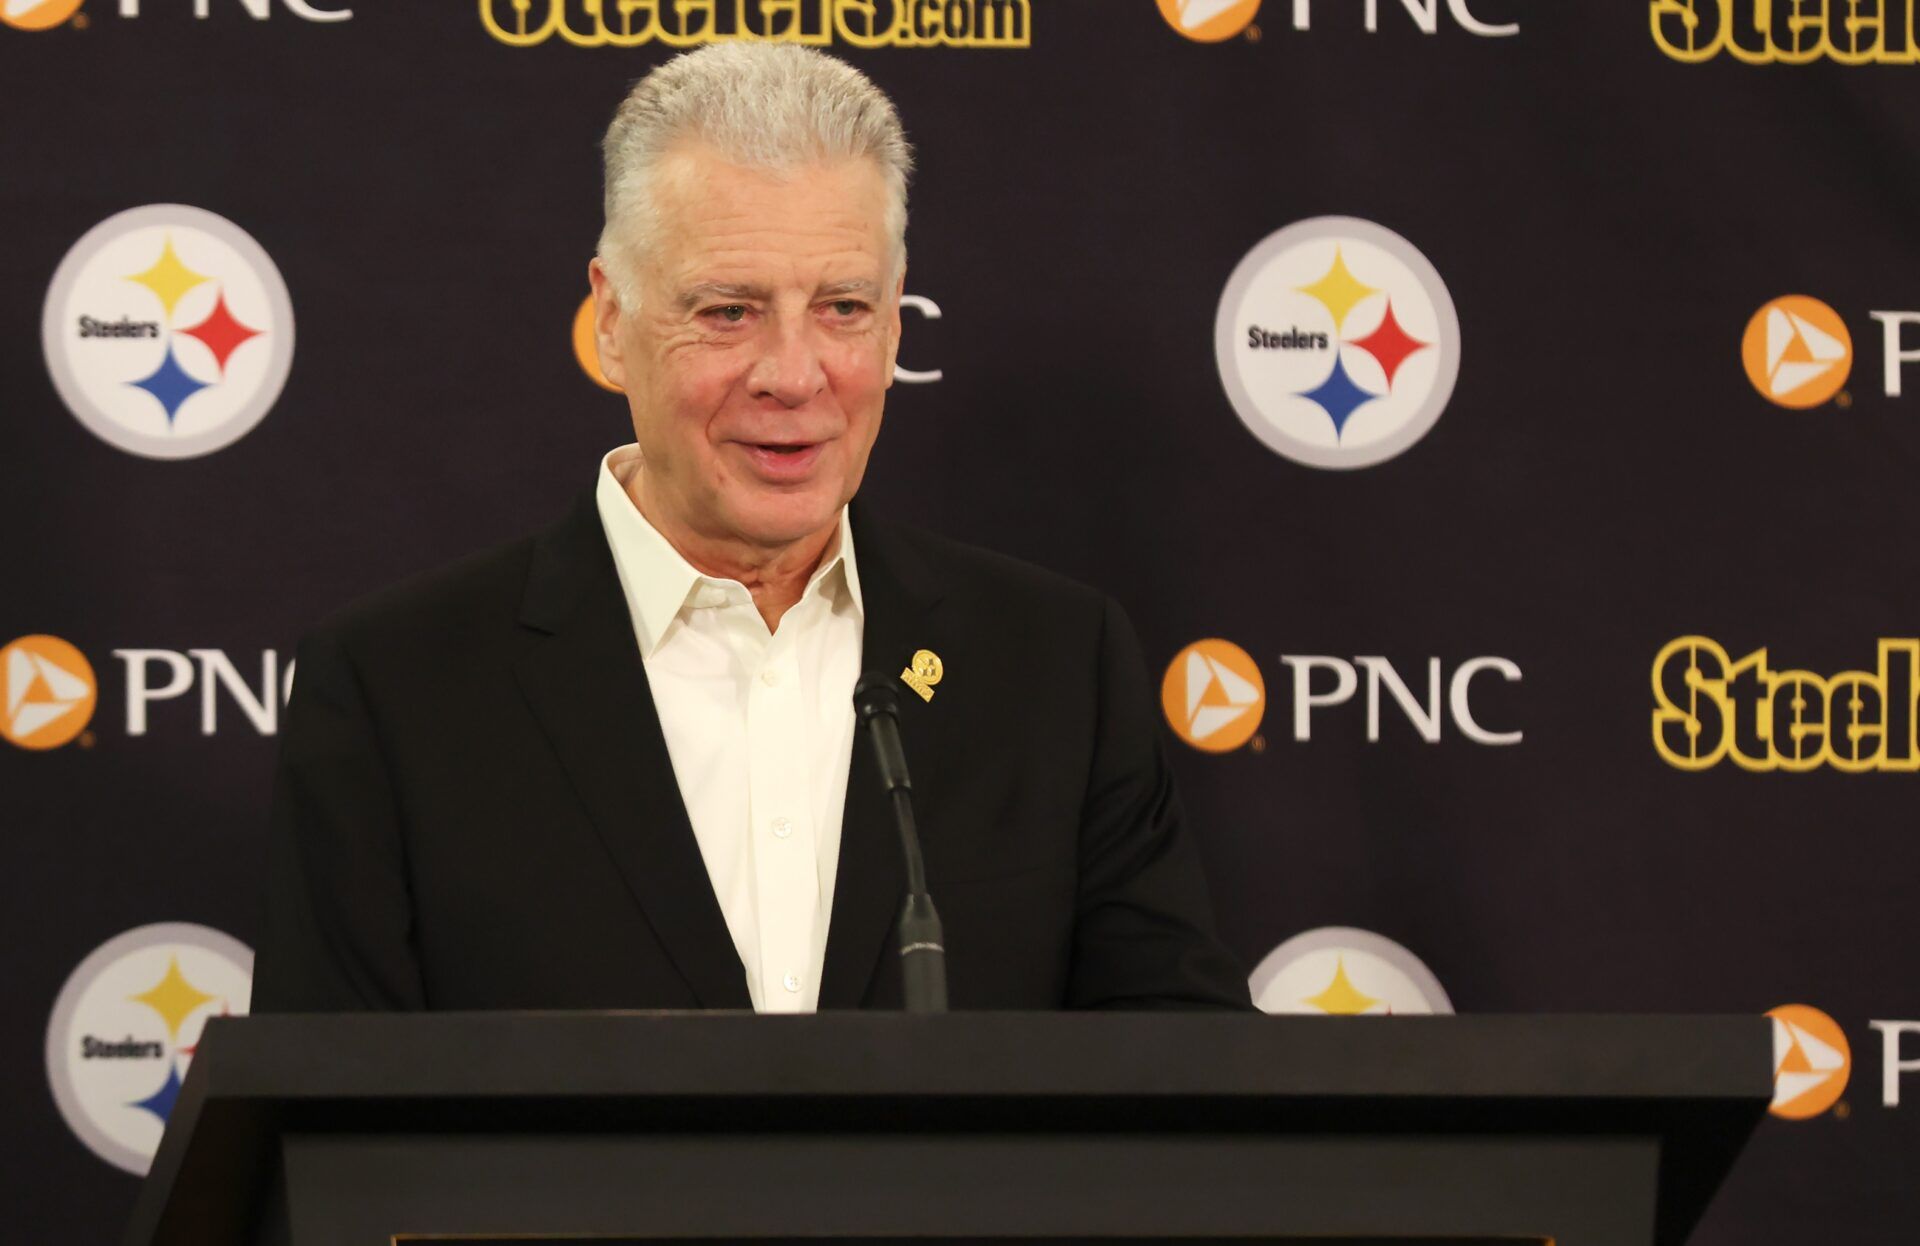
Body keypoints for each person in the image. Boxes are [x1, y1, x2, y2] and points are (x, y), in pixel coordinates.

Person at [252, 44, 1249, 1014]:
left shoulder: (1055, 666)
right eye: (729, 311)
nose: (794, 371)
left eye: (843, 307)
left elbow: (1180, 1096)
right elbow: (329, 1146)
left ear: (897, 323)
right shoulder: (394, 693)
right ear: (610, 322)